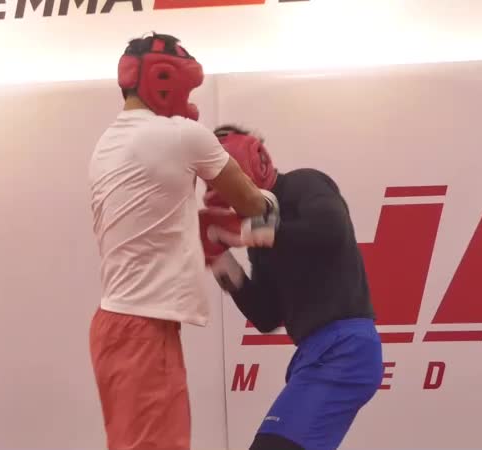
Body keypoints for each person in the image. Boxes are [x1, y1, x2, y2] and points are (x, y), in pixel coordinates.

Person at [88, 35, 279, 450]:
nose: (190, 102)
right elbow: (253, 205)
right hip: (143, 327)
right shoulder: (179, 135)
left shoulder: (108, 142)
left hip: (119, 324)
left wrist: (209, 231)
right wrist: (268, 198)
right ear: (162, 79)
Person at [199, 125, 383, 450]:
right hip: (313, 354)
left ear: (254, 161)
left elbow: (330, 230)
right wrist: (221, 260)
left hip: (346, 348)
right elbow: (267, 315)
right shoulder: (260, 233)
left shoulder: (304, 183)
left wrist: (248, 231)